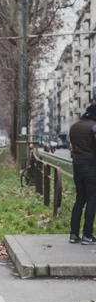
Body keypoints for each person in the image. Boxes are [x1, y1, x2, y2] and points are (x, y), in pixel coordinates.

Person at [69, 104, 96, 244]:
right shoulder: (93, 126)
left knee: (80, 199)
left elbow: (72, 145)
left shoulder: (74, 126)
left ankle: (73, 234)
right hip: (91, 166)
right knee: (92, 199)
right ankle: (87, 235)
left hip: (77, 165)